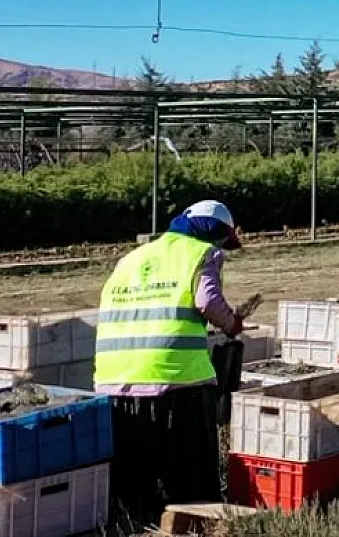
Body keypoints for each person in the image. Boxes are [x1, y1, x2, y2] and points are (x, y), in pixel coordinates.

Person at [94, 199, 245, 520]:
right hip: (177, 381)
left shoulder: (131, 259)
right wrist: (232, 324)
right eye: (223, 240)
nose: (222, 247)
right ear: (212, 232)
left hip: (116, 381)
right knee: (192, 482)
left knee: (135, 480)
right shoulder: (201, 253)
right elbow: (208, 302)